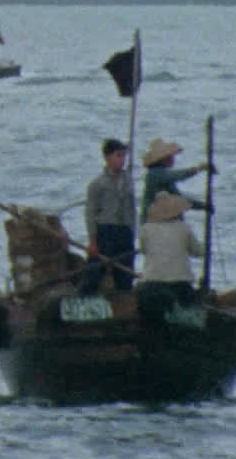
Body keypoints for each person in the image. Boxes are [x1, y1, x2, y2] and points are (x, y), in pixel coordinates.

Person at [80, 137, 137, 293]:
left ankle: (124, 301)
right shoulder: (97, 184)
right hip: (105, 231)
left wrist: (132, 231)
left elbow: (132, 209)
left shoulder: (128, 181)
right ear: (107, 158)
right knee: (95, 270)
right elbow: (90, 213)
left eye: (124, 156)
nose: (122, 160)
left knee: (125, 272)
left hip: (124, 231)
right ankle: (84, 300)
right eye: (118, 155)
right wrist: (92, 239)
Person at [136, 192, 204, 323]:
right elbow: (197, 251)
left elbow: (144, 250)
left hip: (152, 284)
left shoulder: (146, 229)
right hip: (180, 284)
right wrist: (206, 247)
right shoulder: (183, 228)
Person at [141, 138, 212, 216]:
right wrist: (200, 168)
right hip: (153, 221)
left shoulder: (164, 176)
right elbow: (178, 175)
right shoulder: (154, 174)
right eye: (169, 156)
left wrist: (202, 206)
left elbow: (178, 198)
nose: (172, 158)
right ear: (162, 159)